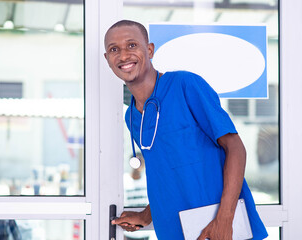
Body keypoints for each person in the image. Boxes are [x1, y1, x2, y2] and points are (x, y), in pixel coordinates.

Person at [104, 19, 268, 240]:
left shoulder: (185, 85)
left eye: (132, 45)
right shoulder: (131, 116)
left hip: (219, 229)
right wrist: (145, 215)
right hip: (173, 230)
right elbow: (169, 174)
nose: (123, 55)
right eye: (114, 49)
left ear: (149, 50)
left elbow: (235, 148)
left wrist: (224, 220)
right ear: (107, 59)